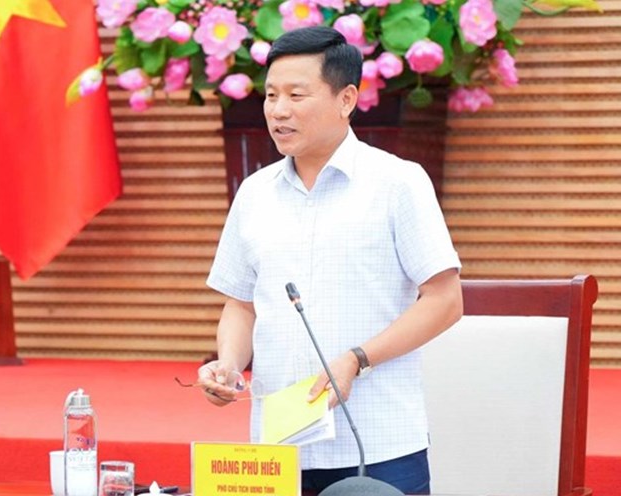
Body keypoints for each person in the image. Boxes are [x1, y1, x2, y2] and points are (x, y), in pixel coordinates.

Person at [196, 25, 463, 495]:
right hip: (278, 450)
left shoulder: (398, 183)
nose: (279, 111)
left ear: (346, 99)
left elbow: (444, 300)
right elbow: (241, 305)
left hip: (378, 445)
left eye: (297, 95)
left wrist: (356, 360)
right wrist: (230, 367)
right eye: (271, 95)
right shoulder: (255, 194)